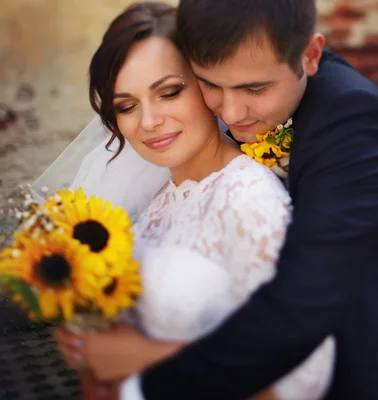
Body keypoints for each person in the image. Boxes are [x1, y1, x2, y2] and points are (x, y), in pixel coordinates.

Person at [88, 0, 378, 398]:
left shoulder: (349, 116)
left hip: (361, 377)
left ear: (309, 56)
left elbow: (302, 302)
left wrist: (144, 378)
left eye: (254, 89)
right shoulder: (176, 178)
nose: (233, 113)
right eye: (209, 84)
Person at [51, 3, 335, 399]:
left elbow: (301, 376)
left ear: (207, 85)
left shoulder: (246, 199)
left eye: (169, 92)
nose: (149, 120)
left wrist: (144, 357)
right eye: (126, 106)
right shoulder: (156, 203)